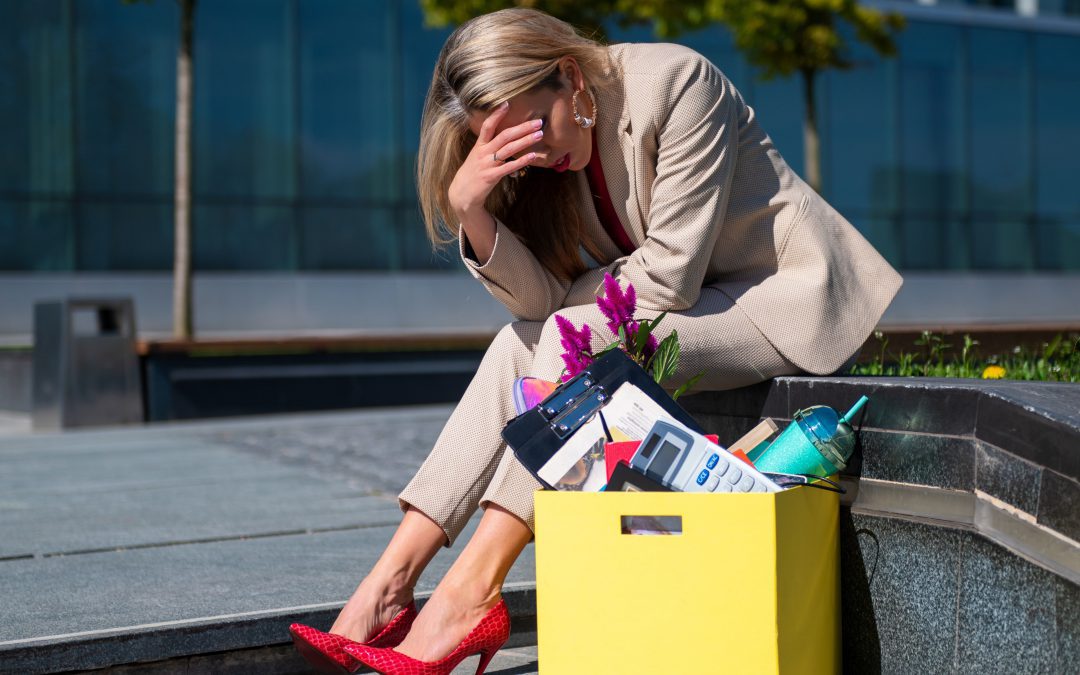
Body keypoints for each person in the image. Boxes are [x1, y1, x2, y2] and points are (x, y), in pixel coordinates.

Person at [290, 7, 901, 674]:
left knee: (569, 334)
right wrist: (470, 208)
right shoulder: (545, 160)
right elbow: (538, 306)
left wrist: (565, 313)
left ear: (570, 78)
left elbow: (668, 277)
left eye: (534, 129)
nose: (535, 153)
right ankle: (387, 586)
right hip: (675, 315)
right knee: (516, 343)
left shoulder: (679, 84)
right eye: (503, 143)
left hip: (775, 298)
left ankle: (471, 590)